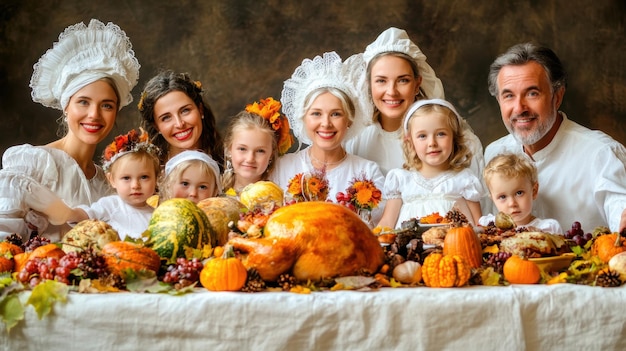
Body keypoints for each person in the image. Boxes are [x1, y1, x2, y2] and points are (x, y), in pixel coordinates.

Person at [0, 19, 140, 242]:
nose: (94, 114)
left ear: (116, 113)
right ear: (66, 107)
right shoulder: (36, 163)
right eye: (83, 102)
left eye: (106, 105)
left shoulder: (110, 182)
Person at [484, 42, 626, 234]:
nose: (519, 108)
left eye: (532, 93)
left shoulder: (602, 154)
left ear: (557, 96)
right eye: (509, 96)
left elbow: (620, 209)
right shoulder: (494, 153)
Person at [344, 27, 484, 178]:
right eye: (381, 81)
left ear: (417, 84)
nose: (392, 91)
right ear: (369, 85)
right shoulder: (353, 141)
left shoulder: (462, 143)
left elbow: (483, 200)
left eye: (403, 80)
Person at [271, 51, 385, 218]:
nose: (326, 123)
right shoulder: (282, 167)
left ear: (350, 120)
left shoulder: (367, 172)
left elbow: (378, 230)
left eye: (336, 114)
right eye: (316, 113)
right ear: (303, 118)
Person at [27, 129, 161, 240]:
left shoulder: (157, 215)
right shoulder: (112, 205)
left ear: (156, 179)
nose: (135, 185)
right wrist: (68, 213)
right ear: (112, 180)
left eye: (144, 177)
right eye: (126, 178)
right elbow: (86, 215)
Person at [377, 99, 484, 229]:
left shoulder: (464, 180)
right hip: (410, 248)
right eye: (422, 136)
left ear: (454, 138)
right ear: (410, 142)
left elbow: (480, 225)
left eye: (441, 134)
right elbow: (387, 223)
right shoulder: (401, 180)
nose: (432, 143)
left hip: (454, 246)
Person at [138, 70, 224, 168]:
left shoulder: (233, 163)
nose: (179, 124)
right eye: (166, 118)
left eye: (185, 111)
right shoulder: (148, 173)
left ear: (200, 110)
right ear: (156, 126)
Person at [222, 97, 293, 197]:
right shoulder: (214, 189)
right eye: (242, 149)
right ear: (229, 149)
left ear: (271, 155)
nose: (250, 158)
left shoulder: (278, 196)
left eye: (260, 151)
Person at [478, 153, 562, 233]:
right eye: (503, 197)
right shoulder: (488, 227)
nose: (512, 203)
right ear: (493, 199)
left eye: (519, 193)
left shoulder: (547, 229)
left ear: (534, 191)